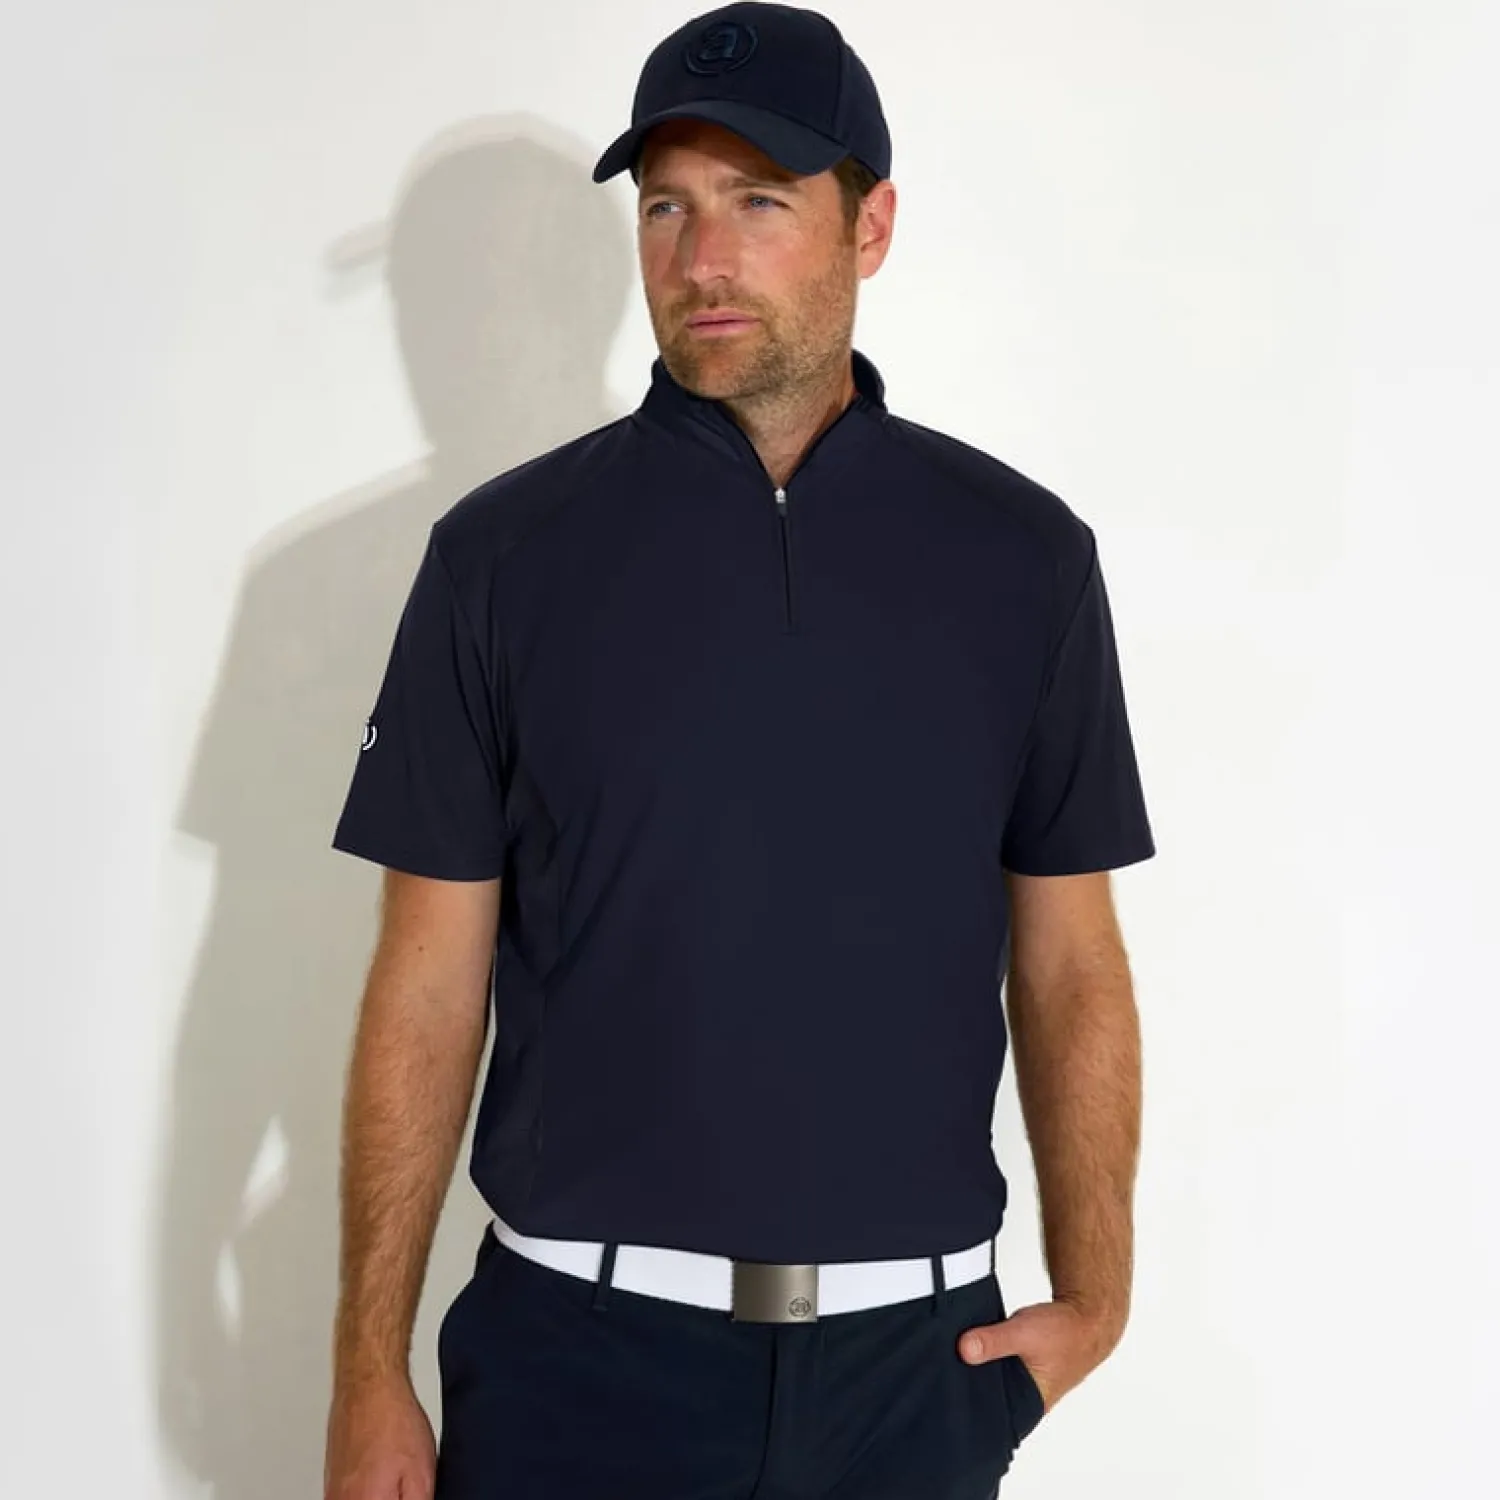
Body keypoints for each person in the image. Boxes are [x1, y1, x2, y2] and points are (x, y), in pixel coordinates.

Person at [322, 4, 1155, 1497]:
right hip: (572, 1366)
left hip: (914, 1383)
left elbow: (1072, 956)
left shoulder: (1023, 559)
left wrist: (1096, 1297)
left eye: (759, 202)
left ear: (869, 226)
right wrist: (367, 1367)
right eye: (667, 208)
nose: (702, 259)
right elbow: (427, 981)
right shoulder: (500, 559)